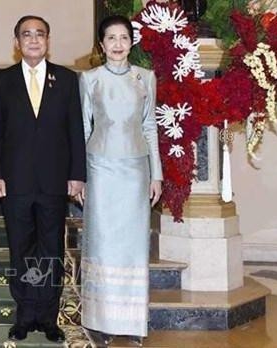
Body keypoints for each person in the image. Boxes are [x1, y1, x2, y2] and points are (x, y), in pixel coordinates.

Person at [0, 15, 86, 343]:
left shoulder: (68, 79)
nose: (33, 40)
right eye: (26, 35)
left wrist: (77, 175)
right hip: (14, 182)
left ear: (48, 40)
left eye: (40, 34)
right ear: (16, 43)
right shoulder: (2, 82)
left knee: (51, 251)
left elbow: (75, 130)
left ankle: (47, 316)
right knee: (20, 250)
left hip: (54, 182)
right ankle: (25, 313)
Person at [79, 15, 163, 347]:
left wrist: (156, 173)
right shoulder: (89, 79)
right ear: (102, 44)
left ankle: (130, 321)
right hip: (99, 169)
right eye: (111, 38)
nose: (117, 44)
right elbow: (84, 129)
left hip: (135, 171)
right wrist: (81, 176)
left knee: (132, 246)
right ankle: (99, 322)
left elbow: (150, 127)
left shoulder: (146, 78)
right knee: (102, 244)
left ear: (132, 42)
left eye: (123, 38)